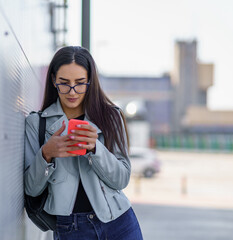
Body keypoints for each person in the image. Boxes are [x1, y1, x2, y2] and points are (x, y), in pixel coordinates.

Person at [24, 46, 143, 240]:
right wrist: (46, 154)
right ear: (54, 80)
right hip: (71, 229)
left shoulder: (111, 117)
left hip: (119, 222)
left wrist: (96, 149)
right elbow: (31, 189)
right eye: (64, 83)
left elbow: (121, 179)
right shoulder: (36, 124)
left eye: (80, 83)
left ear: (90, 81)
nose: (72, 91)